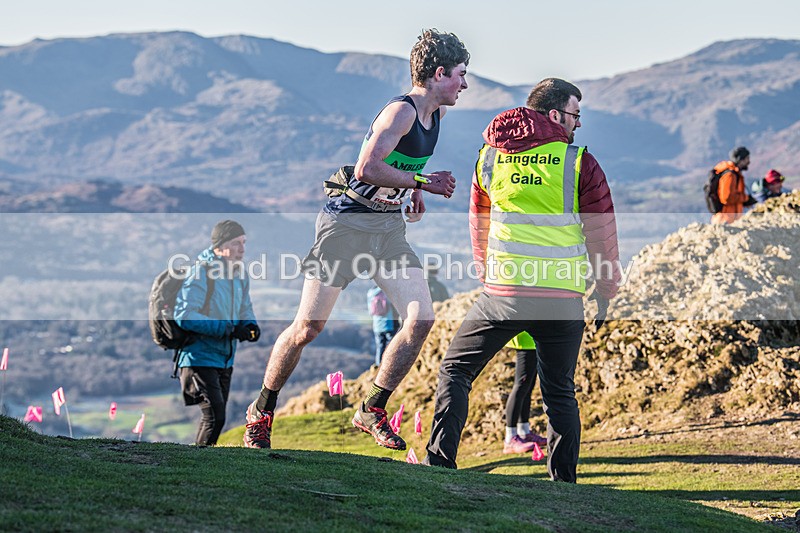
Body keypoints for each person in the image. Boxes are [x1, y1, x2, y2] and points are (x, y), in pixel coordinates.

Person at [243, 29, 470, 450]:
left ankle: (372, 408)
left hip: (386, 228)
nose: (465, 83)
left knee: (420, 320)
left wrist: (413, 192)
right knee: (307, 328)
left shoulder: (435, 114)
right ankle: (261, 411)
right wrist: (423, 181)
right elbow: (367, 168)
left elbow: (403, 161)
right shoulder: (400, 112)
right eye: (460, 74)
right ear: (439, 73)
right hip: (346, 225)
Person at [424, 78, 621, 483]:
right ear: (554, 115)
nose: (578, 124)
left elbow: (479, 223)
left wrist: (486, 274)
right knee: (559, 394)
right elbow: (602, 237)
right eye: (575, 115)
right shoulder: (579, 162)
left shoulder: (489, 158)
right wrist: (605, 292)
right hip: (562, 298)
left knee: (455, 372)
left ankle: (439, 466)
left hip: (503, 296)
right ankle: (563, 486)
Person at [174, 220, 260, 446]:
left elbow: (245, 307)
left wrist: (250, 325)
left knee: (214, 418)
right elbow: (184, 314)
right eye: (235, 243)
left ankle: (199, 463)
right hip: (198, 356)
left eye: (243, 243)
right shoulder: (202, 272)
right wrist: (229, 328)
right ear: (219, 246)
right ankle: (198, 467)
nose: (242, 249)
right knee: (215, 417)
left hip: (225, 357)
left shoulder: (239, 274)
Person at [502, 332, 547, 454]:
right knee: (521, 385)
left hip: (533, 339)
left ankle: (524, 432)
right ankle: (510, 439)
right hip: (526, 339)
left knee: (527, 386)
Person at [711, 146, 757, 224]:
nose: (748, 162)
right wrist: (745, 199)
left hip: (730, 219)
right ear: (741, 160)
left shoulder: (734, 174)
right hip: (725, 220)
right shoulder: (730, 175)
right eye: (747, 159)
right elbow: (727, 197)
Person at [367, 284, 399, 366]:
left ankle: (378, 365)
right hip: (389, 324)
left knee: (380, 347)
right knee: (391, 345)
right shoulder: (386, 292)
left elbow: (370, 311)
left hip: (377, 326)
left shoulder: (370, 294)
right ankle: (390, 363)